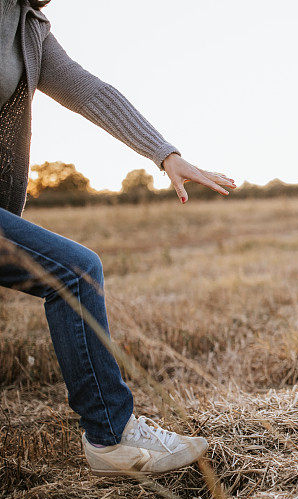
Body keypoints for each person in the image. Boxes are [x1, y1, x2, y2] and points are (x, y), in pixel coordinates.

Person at [0, 0, 237, 474]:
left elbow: (90, 92)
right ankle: (110, 435)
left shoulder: (29, 28)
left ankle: (111, 435)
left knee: (73, 270)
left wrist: (166, 154)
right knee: (74, 270)